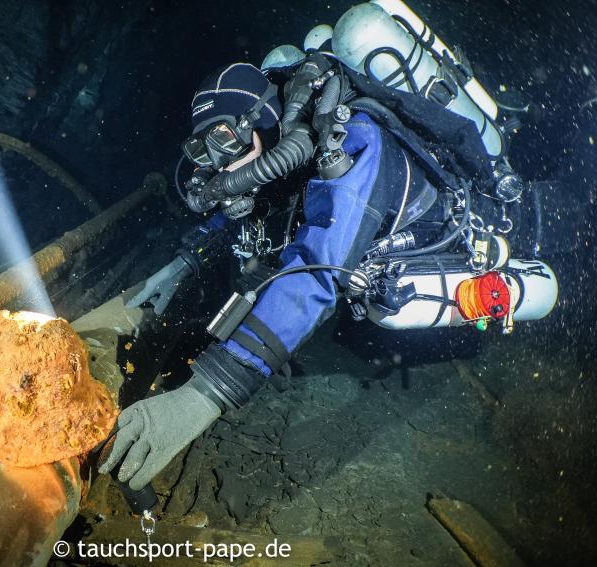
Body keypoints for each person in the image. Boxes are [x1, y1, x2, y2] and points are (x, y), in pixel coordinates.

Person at [99, 12, 557, 492]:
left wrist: (206, 394)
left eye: (224, 138)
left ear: (261, 117)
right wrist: (184, 259)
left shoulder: (352, 138)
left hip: (500, 224)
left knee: (386, 313)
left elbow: (318, 269)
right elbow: (238, 210)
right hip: (382, 253)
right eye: (203, 147)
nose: (221, 162)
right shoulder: (277, 153)